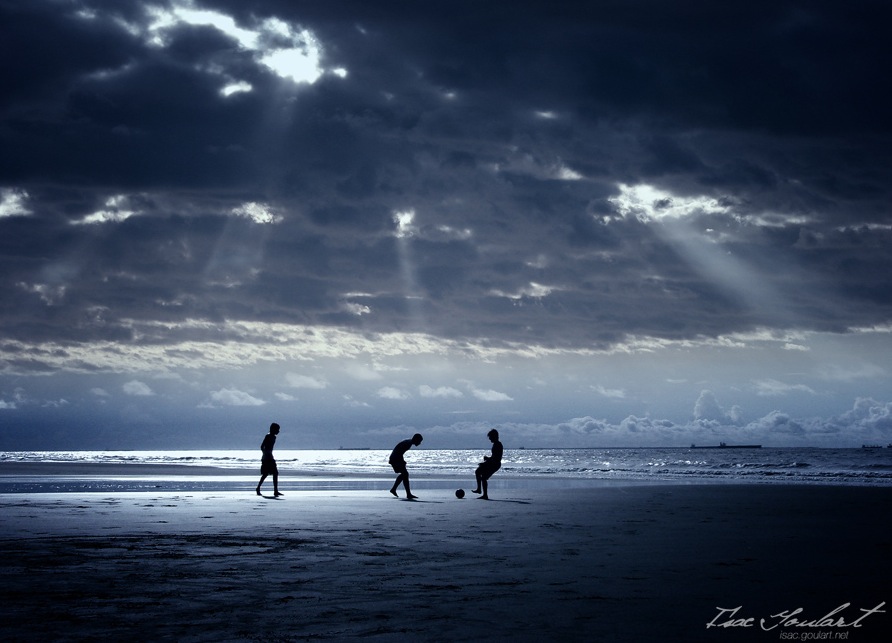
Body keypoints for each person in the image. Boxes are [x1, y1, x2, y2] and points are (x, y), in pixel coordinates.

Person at [389, 433, 423, 499]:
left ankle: (396, 490)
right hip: (395, 459)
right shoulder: (408, 444)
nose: (420, 443)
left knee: (404, 474)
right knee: (405, 474)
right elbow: (399, 452)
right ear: (416, 439)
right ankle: (406, 493)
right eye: (419, 441)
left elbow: (399, 452)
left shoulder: (408, 442)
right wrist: (402, 461)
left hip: (395, 458)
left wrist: (402, 461)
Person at [472, 429, 502, 500]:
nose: (489, 439)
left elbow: (496, 458)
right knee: (478, 471)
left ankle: (485, 495)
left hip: (495, 464)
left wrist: (487, 460)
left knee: (484, 477)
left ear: (494, 436)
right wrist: (486, 461)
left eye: (490, 437)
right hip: (492, 463)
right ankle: (479, 489)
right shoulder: (495, 444)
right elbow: (493, 457)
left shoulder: (498, 445)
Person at [256, 422, 283, 497]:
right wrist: (265, 454)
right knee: (266, 474)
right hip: (267, 458)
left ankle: (275, 490)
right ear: (273, 429)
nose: (278, 431)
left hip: (270, 457)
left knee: (274, 473)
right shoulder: (268, 436)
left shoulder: (274, 437)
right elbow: (262, 446)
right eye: (277, 429)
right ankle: (259, 488)